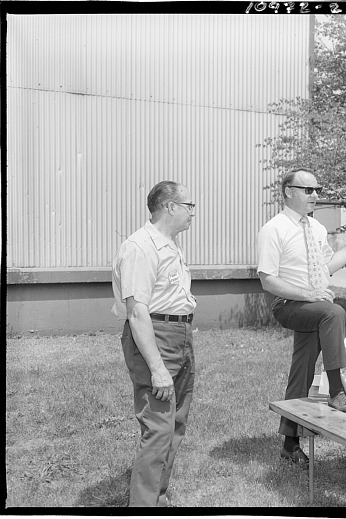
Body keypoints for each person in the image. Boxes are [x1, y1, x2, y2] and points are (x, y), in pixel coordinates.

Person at [257, 167, 346, 465]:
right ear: (289, 191)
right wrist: (310, 296)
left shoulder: (317, 229)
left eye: (318, 190)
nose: (315, 196)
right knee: (334, 312)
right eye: (309, 190)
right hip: (289, 304)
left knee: (302, 369)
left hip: (313, 307)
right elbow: (267, 280)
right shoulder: (274, 229)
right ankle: (337, 391)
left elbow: (327, 267)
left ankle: (289, 443)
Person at [112, 181, 197, 507]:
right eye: (189, 206)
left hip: (179, 335)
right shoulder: (141, 247)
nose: (192, 212)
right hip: (154, 337)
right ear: (170, 207)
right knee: (159, 428)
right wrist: (157, 368)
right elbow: (137, 313)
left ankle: (157, 499)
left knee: (174, 424)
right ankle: (143, 508)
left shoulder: (169, 244)